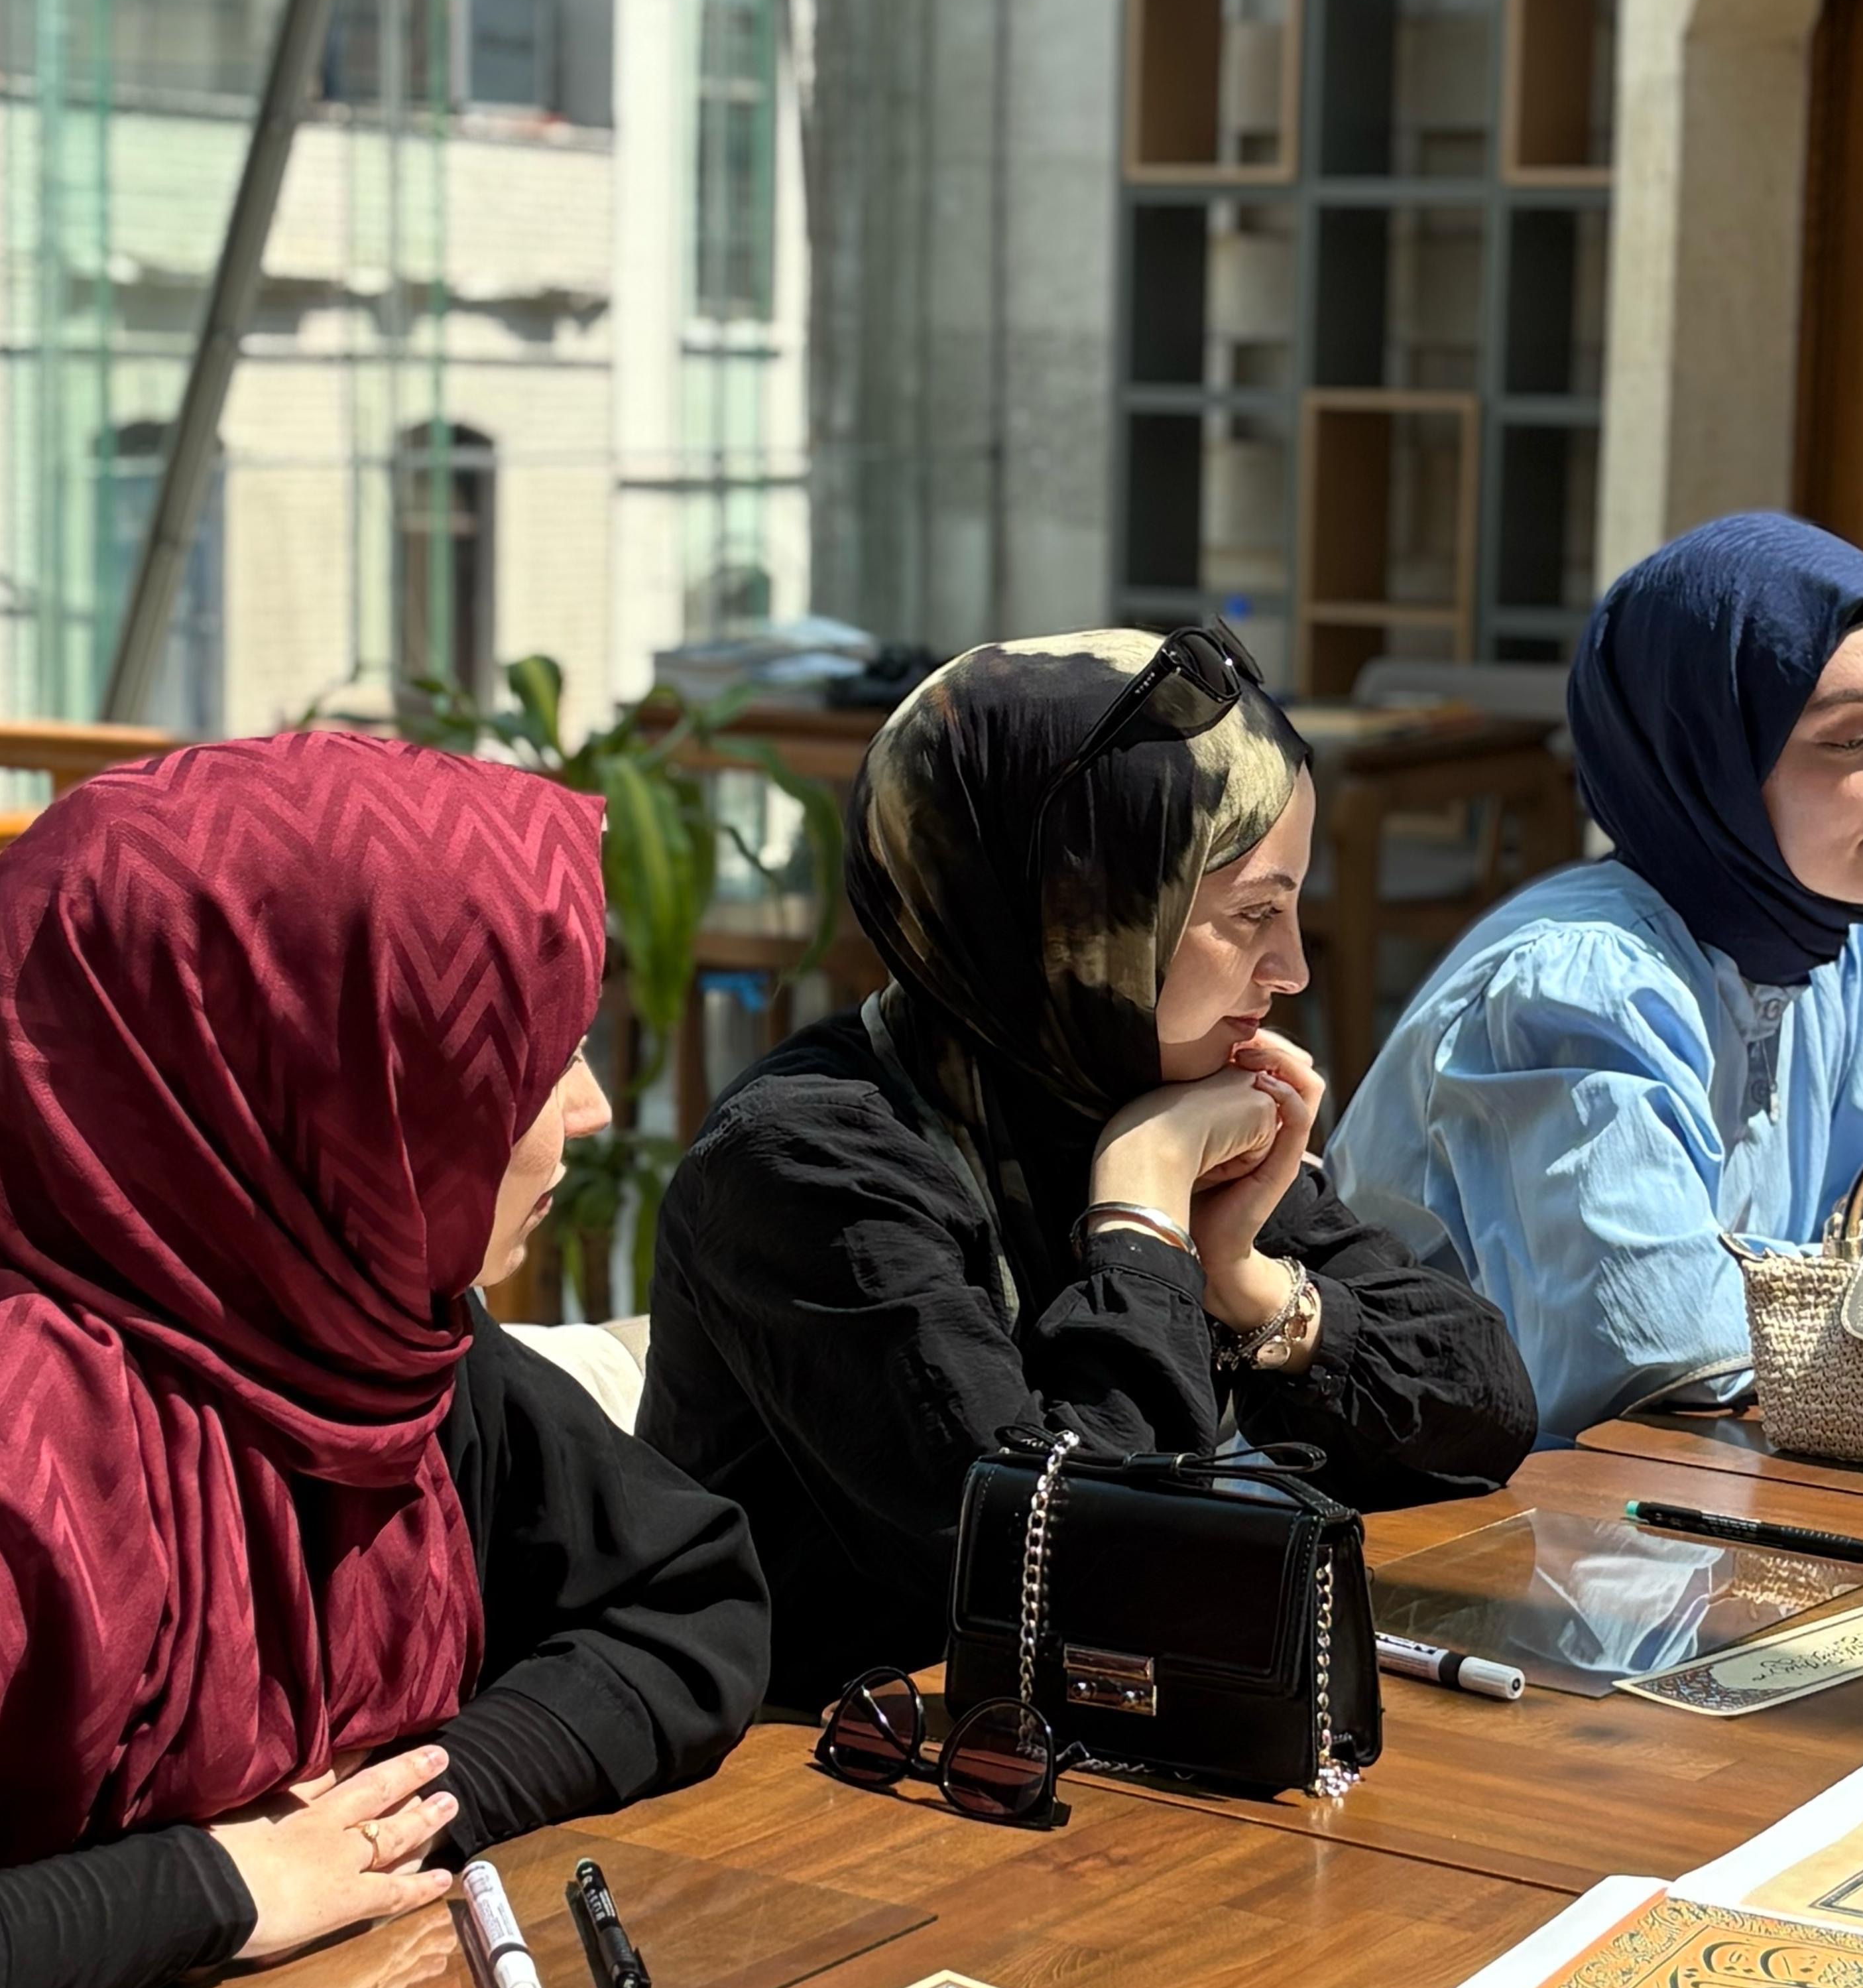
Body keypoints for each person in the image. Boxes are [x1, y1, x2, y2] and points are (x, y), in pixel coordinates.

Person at [0, 731, 769, 1988]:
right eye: (530, 1055)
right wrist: (223, 1883)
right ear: (330, 1078)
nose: (586, 1108)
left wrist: (403, 1814)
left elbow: (689, 1605)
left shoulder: (347, 1325)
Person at [637, 627, 1535, 1711]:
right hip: (845, 1806)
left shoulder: (1113, 1083)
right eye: (1252, 915)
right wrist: (1144, 1216)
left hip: (1078, 1770)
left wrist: (1247, 1284)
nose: (1292, 969)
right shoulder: (811, 1168)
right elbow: (1072, 1568)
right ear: (1075, 916)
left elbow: (1484, 1406)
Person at [1327, 513, 1863, 1441]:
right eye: (1851, 741)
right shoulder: (1578, 985)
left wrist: (1778, 1281)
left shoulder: (1829, 952)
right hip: (1445, 1544)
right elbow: (1669, 1345)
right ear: (1707, 759)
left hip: (1665, 1513)